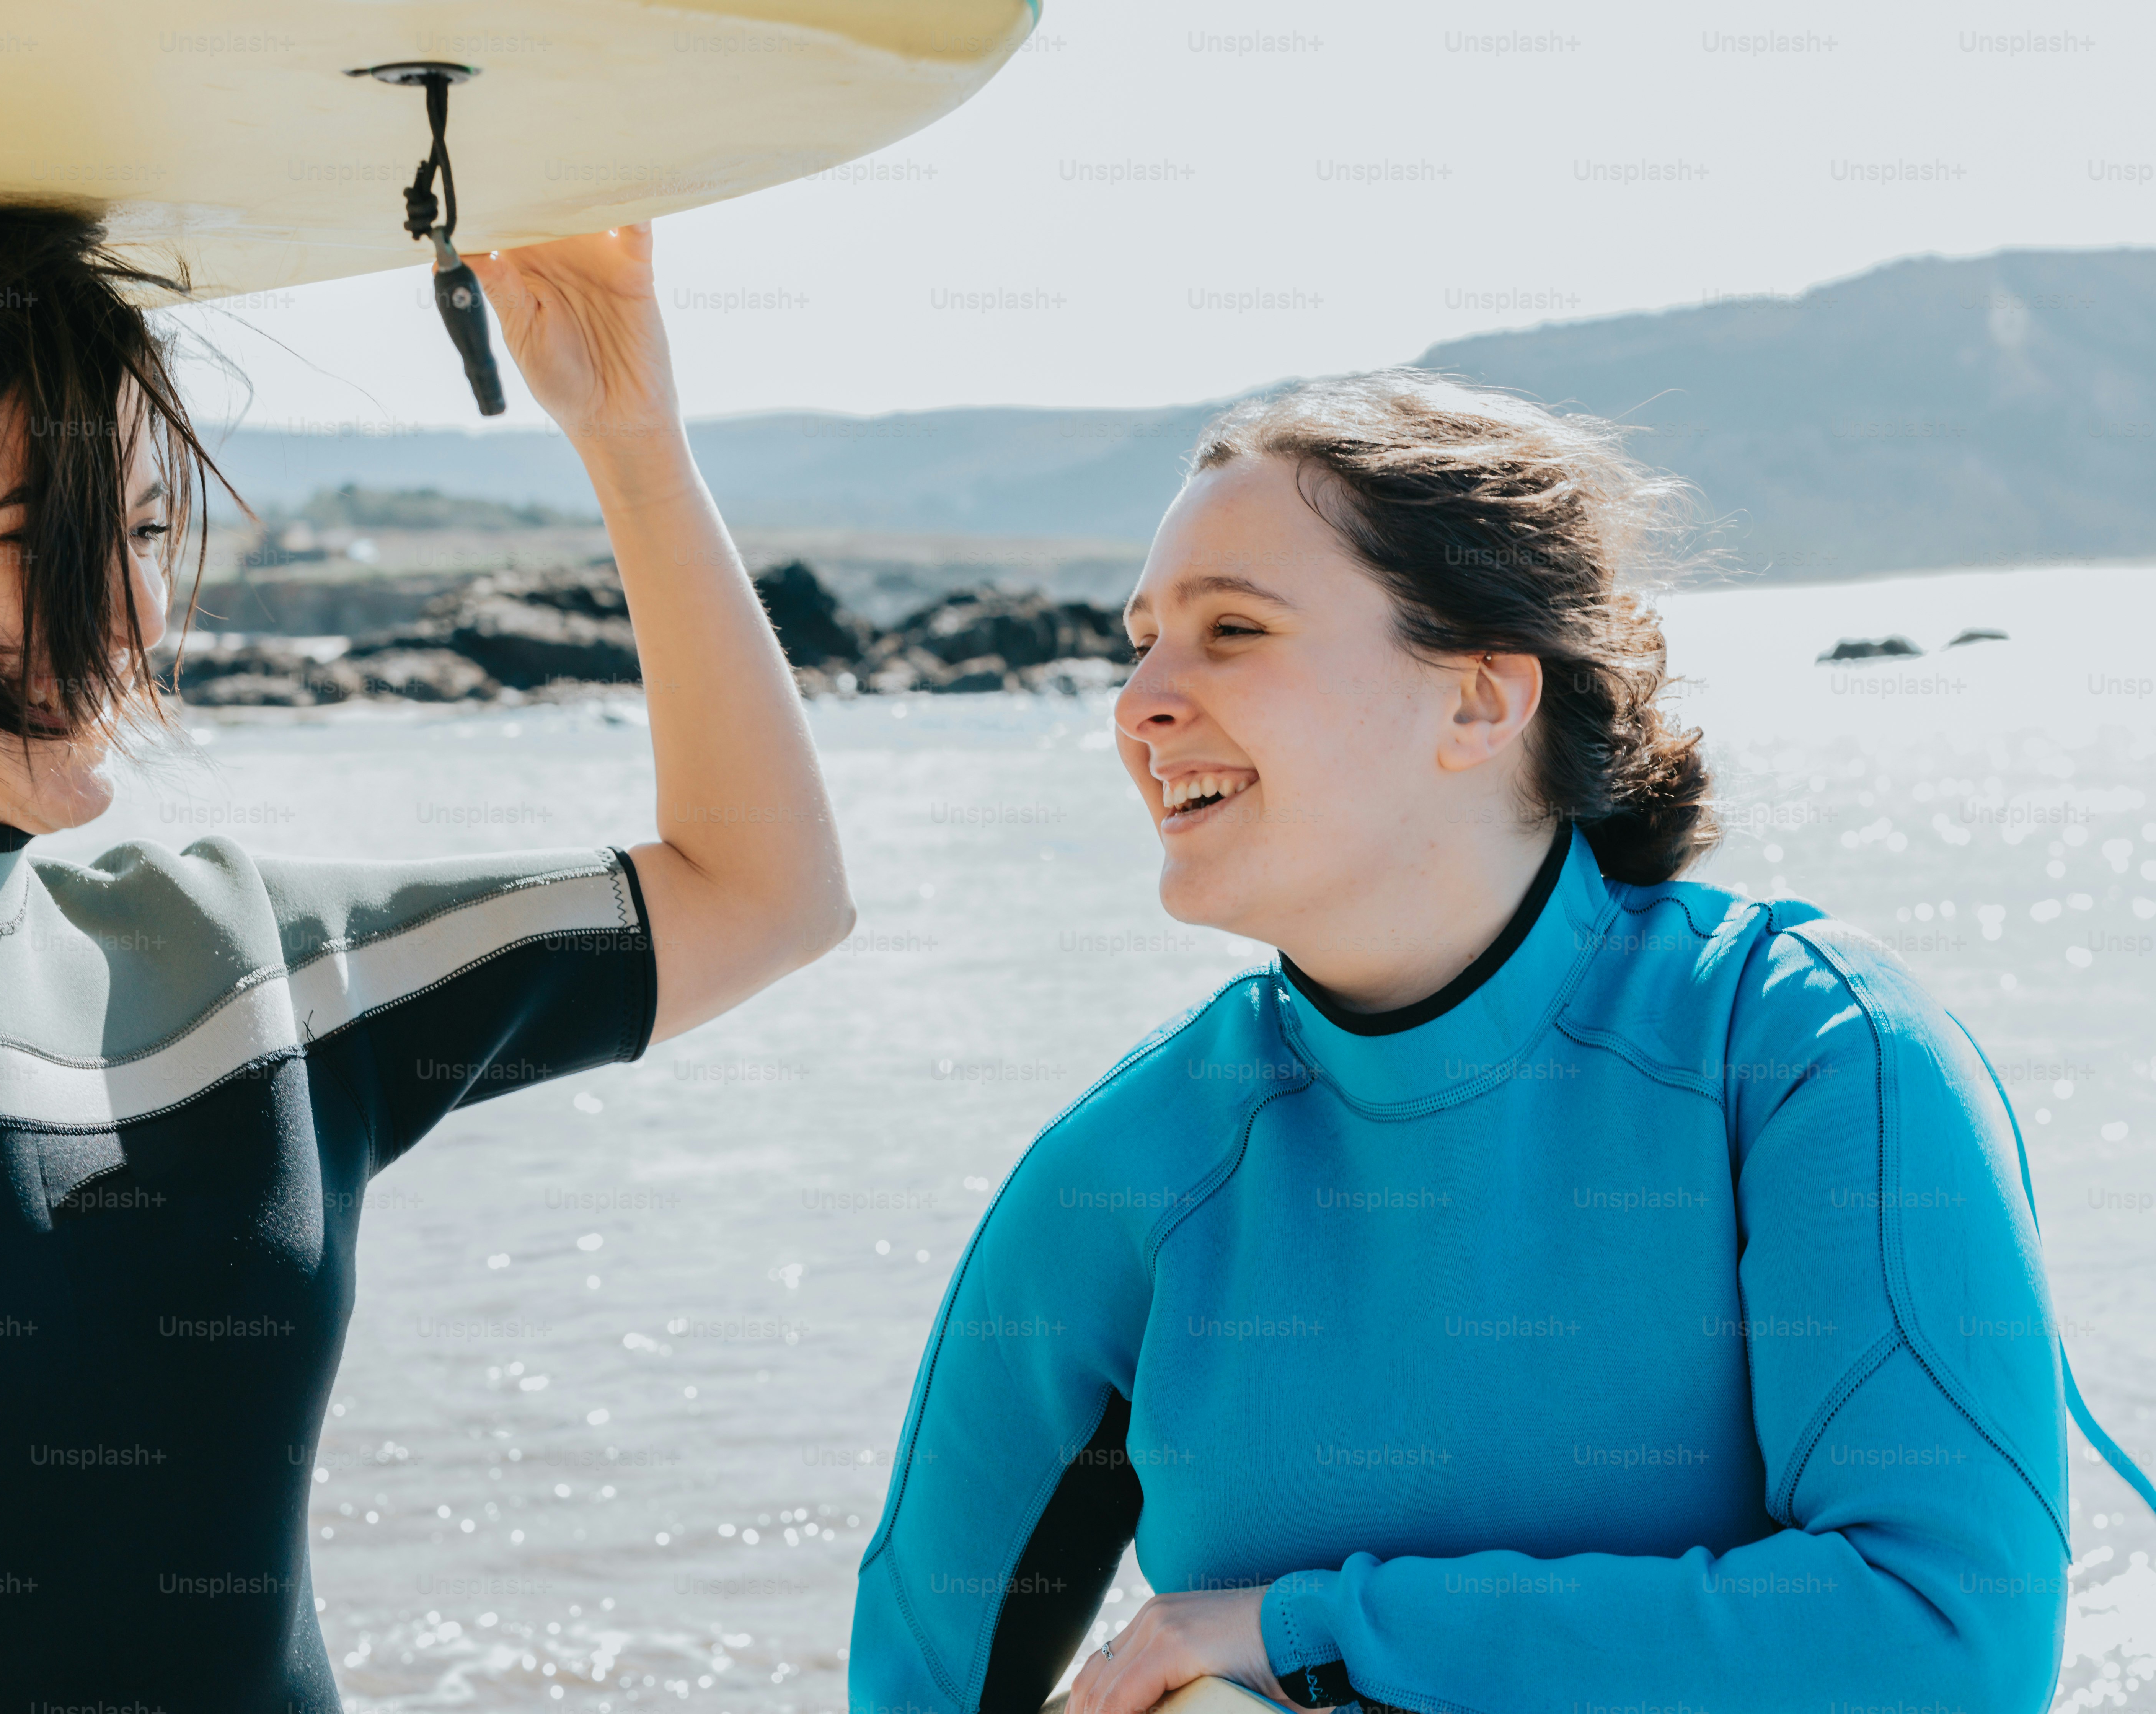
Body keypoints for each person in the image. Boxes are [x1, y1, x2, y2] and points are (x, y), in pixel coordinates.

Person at [0, 207, 852, 1709]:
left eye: (132, 529)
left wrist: (632, 433)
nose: (130, 617)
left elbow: (762, 891)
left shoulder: (242, 966)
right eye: (37, 540)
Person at [846, 375, 2079, 1714]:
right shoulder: (1126, 1179)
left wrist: (1313, 1627)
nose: (1140, 700)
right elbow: (921, 1686)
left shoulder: (1809, 1054)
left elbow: (1950, 1645)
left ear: (1483, 704)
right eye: (1141, 641)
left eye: (1232, 629)